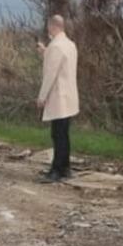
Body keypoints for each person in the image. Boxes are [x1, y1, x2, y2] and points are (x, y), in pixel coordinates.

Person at [36, 14, 79, 183]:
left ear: (53, 27)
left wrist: (41, 96)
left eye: (49, 27)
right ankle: (65, 168)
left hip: (58, 96)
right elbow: (60, 63)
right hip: (69, 95)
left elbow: (50, 74)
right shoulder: (69, 44)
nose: (48, 31)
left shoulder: (55, 47)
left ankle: (56, 170)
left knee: (57, 134)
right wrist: (45, 52)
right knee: (64, 133)